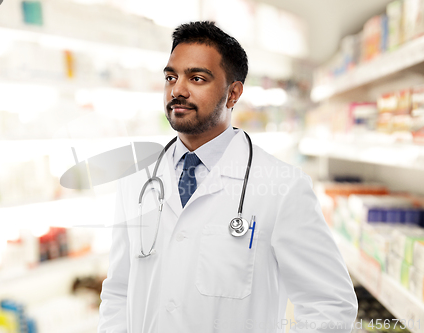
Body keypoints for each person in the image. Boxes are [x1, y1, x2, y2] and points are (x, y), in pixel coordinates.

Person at [98, 21, 358, 333]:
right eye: (171, 77)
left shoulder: (282, 187)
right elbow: (118, 292)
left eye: (197, 78)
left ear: (233, 93)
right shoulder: (136, 180)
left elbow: (329, 305)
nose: (177, 90)